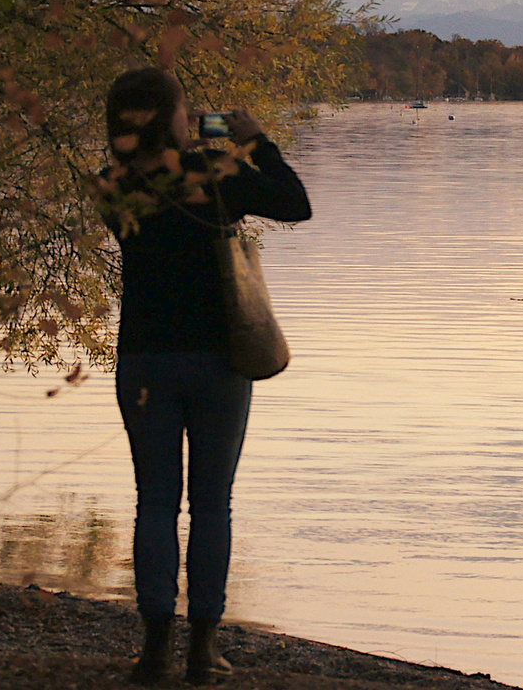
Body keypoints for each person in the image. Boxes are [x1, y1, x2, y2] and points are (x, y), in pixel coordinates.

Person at [97, 67, 312, 685]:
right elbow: (295, 204)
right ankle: (203, 649)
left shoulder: (111, 183)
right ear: (172, 115)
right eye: (185, 108)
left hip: (144, 359)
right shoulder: (219, 172)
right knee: (211, 503)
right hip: (219, 359)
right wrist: (255, 143)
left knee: (155, 502)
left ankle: (155, 650)